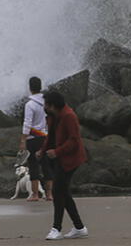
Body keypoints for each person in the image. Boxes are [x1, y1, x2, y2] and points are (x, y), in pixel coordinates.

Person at [37, 91, 88, 240]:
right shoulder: (54, 115)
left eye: (46, 104)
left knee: (58, 192)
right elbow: (51, 136)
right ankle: (79, 227)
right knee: (63, 192)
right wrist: (43, 150)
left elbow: (74, 140)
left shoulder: (69, 116)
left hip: (71, 160)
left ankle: (56, 229)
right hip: (60, 158)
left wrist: (57, 152)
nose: (44, 107)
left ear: (52, 105)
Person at [19, 77, 53, 201]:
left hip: (33, 139)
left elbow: (27, 123)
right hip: (46, 137)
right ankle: (49, 194)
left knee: (33, 165)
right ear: (40, 87)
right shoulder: (47, 102)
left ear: (30, 88)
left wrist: (23, 140)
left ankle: (35, 195)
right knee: (47, 165)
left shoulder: (30, 104)